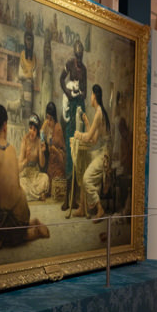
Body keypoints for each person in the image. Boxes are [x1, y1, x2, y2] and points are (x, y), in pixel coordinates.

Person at [0, 105, 50, 252]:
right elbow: (13, 177)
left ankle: (30, 233)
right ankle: (31, 223)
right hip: (24, 211)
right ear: (5, 125)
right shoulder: (11, 148)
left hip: (14, 217)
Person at [72, 84, 110, 220]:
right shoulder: (98, 113)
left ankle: (99, 209)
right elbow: (93, 139)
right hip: (101, 151)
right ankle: (82, 208)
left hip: (104, 154)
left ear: (94, 95)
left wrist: (78, 135)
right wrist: (87, 124)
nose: (90, 98)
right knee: (84, 168)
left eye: (91, 95)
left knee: (86, 178)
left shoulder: (99, 113)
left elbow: (88, 138)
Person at [59, 39, 87, 209]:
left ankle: (75, 199)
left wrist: (79, 94)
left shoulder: (83, 69)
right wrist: (69, 92)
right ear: (74, 54)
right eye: (77, 55)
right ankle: (66, 198)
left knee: (78, 153)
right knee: (70, 152)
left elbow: (85, 91)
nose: (79, 58)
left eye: (81, 55)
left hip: (79, 108)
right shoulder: (69, 63)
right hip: (70, 108)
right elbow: (61, 80)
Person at [19, 114, 51, 201]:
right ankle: (39, 196)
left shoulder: (38, 141)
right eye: (30, 128)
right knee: (21, 184)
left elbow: (42, 164)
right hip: (26, 174)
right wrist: (27, 159)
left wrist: (42, 151)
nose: (32, 132)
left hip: (35, 174)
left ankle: (31, 195)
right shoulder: (24, 140)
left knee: (45, 178)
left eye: (34, 129)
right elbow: (19, 166)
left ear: (37, 131)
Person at [40, 101, 66, 182]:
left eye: (50, 118)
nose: (48, 121)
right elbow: (41, 136)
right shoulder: (49, 126)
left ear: (54, 118)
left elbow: (52, 146)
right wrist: (42, 129)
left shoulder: (57, 128)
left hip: (58, 165)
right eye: (47, 118)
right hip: (51, 163)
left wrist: (47, 134)